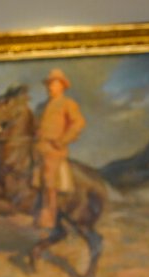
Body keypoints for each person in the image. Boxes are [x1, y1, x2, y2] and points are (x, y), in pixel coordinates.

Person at [32, 68, 86, 229]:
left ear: (62, 86)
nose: (50, 87)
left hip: (54, 149)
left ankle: (49, 215)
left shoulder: (68, 104)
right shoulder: (41, 106)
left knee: (49, 179)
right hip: (37, 147)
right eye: (49, 84)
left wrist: (63, 140)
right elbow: (34, 125)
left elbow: (79, 123)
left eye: (54, 84)